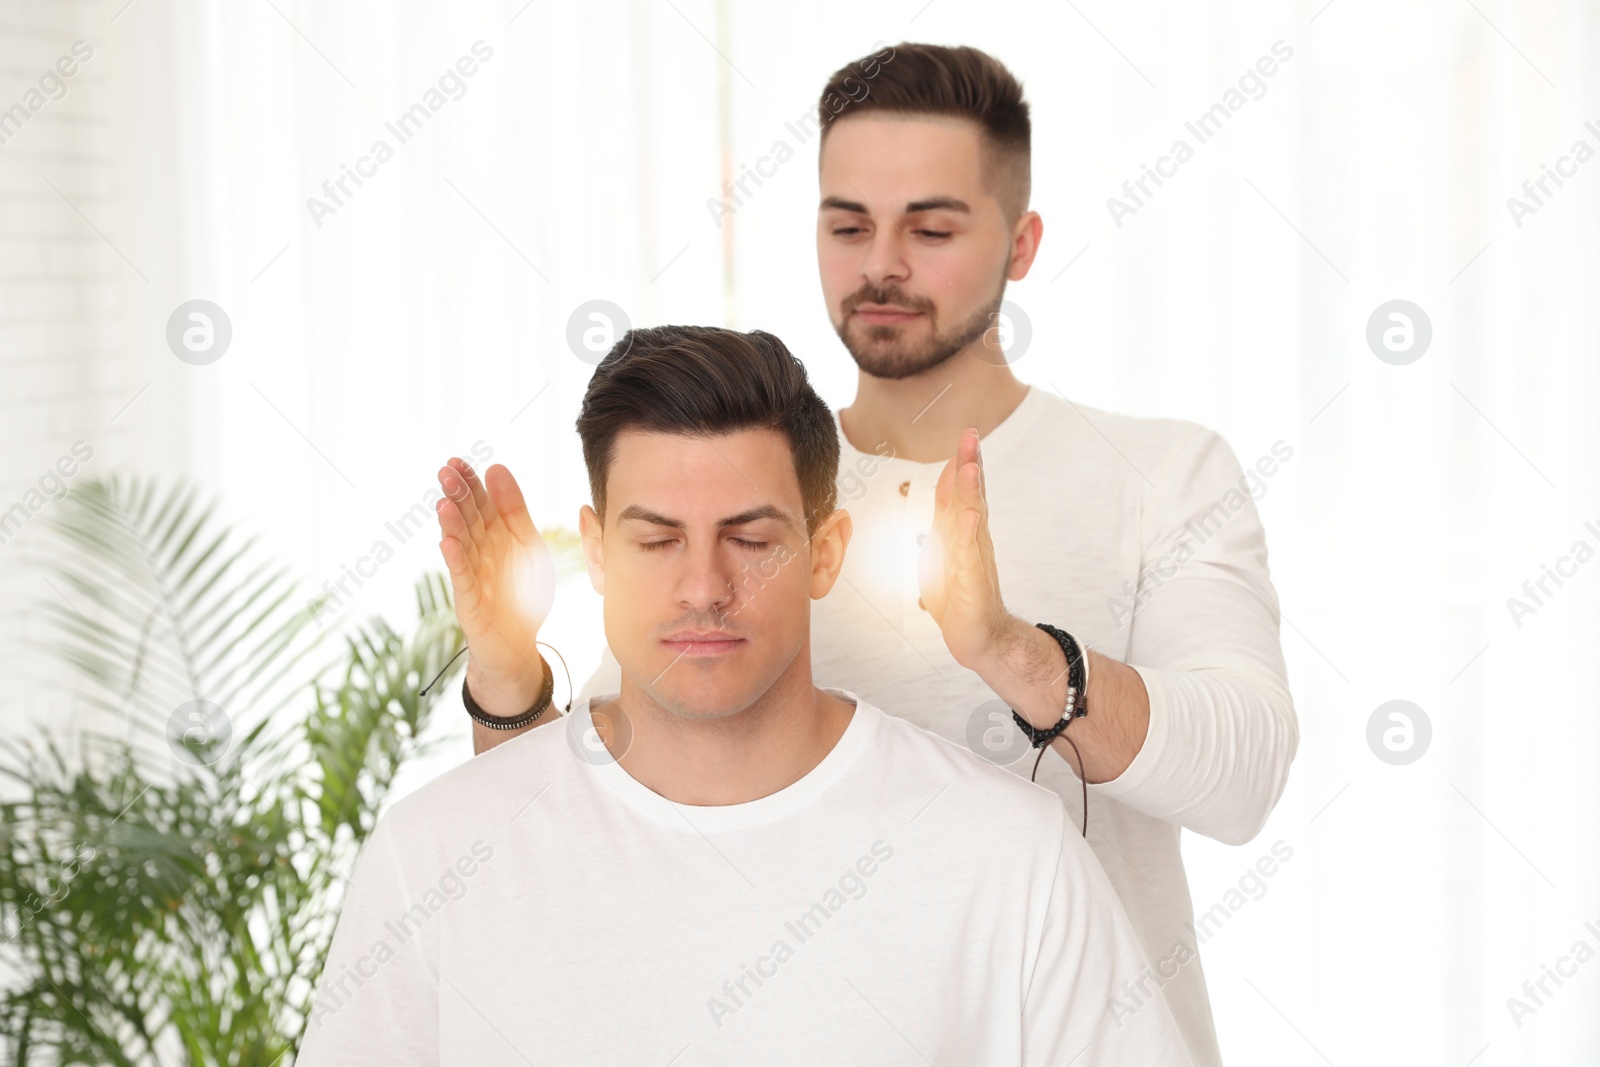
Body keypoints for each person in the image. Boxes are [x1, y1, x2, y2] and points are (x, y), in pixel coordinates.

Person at [440, 44, 1296, 1067]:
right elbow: (585, 830)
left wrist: (1006, 647)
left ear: (1021, 244)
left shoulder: (1160, 474)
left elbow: (1242, 778)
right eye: (847, 224)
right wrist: (505, 674)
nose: (880, 263)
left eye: (930, 227)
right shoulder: (744, 490)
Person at [300, 326, 1189, 1064]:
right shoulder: (433, 858)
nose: (702, 585)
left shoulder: (1009, 860)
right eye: (656, 541)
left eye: (750, 539)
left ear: (826, 552)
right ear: (598, 553)